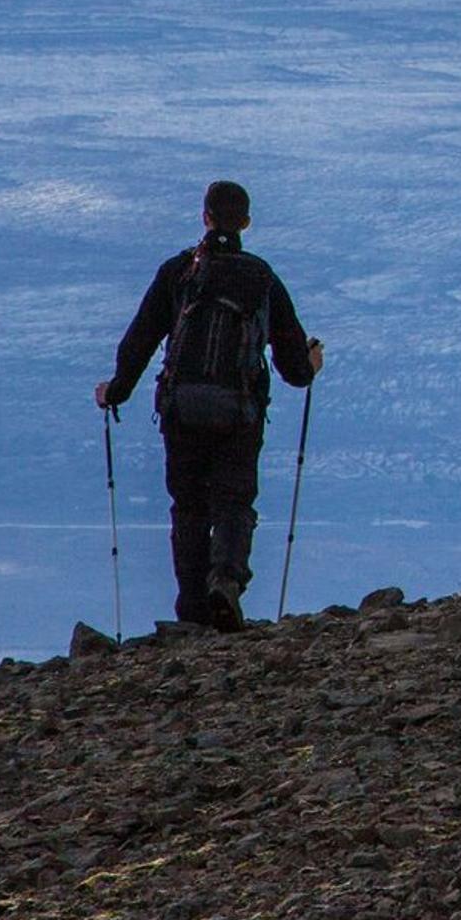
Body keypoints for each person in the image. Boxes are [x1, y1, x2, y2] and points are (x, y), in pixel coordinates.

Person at [97, 180, 325, 631]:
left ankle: (192, 606)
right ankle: (226, 582)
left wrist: (115, 391)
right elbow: (295, 370)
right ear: (245, 223)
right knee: (234, 502)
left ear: (205, 217)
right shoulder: (262, 278)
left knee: (188, 505)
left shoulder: (178, 273)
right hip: (238, 413)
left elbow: (140, 340)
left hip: (181, 409)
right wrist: (312, 363)